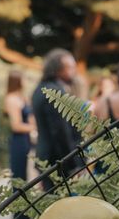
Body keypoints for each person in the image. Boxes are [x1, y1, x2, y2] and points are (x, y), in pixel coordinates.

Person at [32, 49, 82, 190]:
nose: (74, 70)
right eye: (70, 67)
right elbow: (60, 133)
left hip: (50, 159)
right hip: (57, 162)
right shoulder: (54, 93)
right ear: (58, 70)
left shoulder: (41, 88)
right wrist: (73, 166)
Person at [4, 71, 35, 219]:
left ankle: (25, 213)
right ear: (17, 80)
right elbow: (16, 125)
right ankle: (19, 217)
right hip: (18, 141)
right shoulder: (11, 99)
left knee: (26, 178)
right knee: (19, 177)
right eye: (23, 77)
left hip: (27, 139)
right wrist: (34, 128)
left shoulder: (22, 97)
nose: (25, 80)